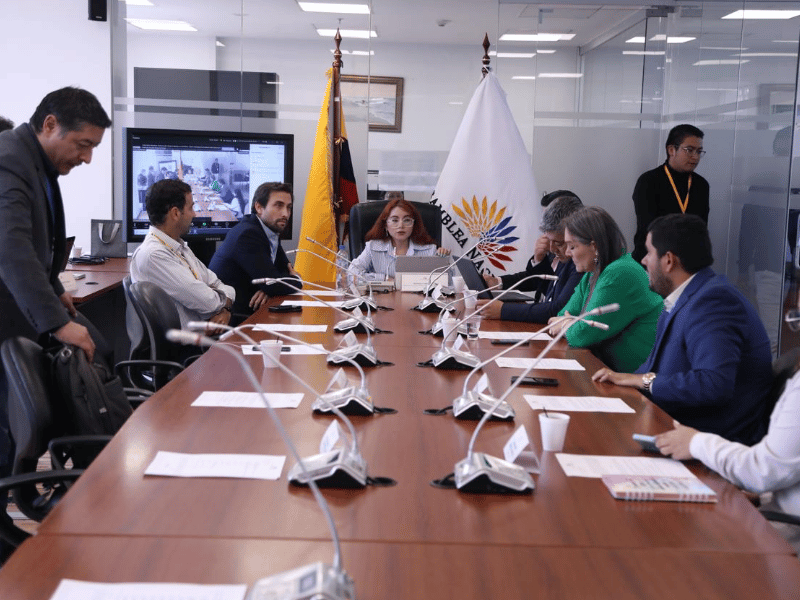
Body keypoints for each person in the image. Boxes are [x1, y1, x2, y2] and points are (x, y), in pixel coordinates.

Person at [0, 86, 111, 562]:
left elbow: (36, 252)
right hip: (8, 321)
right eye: (82, 145)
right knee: (5, 431)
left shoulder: (35, 162)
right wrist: (56, 323)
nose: (86, 158)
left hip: (18, 314)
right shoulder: (8, 160)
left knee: (9, 432)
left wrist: (55, 288)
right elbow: (10, 249)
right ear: (49, 124)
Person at [593, 214, 772, 445]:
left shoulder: (714, 301)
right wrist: (620, 380)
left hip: (707, 443)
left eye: (648, 252)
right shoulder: (686, 298)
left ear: (668, 260)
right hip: (670, 424)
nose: (644, 261)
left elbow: (713, 384)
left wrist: (643, 381)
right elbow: (651, 370)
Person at [655, 353, 800, 552]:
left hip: (787, 532)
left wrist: (696, 443)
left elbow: (764, 469)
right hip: (776, 508)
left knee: (677, 534)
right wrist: (764, 496)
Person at [545, 206, 662, 372]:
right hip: (609, 372)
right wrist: (569, 322)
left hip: (639, 383)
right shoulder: (593, 272)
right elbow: (560, 316)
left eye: (572, 246)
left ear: (594, 246)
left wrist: (568, 323)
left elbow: (582, 335)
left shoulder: (620, 272)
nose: (567, 253)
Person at [130, 179, 235, 330]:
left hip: (210, 337)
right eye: (191, 208)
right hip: (191, 348)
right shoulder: (153, 255)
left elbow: (217, 284)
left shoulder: (179, 246)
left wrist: (225, 310)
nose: (194, 214)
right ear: (175, 213)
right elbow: (208, 302)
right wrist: (224, 304)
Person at [478, 193, 583, 323]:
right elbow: (546, 286)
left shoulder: (577, 259)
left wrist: (503, 310)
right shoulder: (560, 251)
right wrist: (538, 260)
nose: (551, 248)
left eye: (558, 243)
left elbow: (557, 308)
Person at [210, 182, 301, 324]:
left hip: (253, 312)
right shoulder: (248, 234)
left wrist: (269, 287)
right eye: (278, 205)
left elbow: (280, 272)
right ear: (259, 207)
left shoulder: (269, 231)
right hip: (232, 318)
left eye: (289, 208)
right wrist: (296, 280)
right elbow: (276, 282)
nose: (286, 214)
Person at [631, 124, 709, 262]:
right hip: (652, 260)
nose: (695, 157)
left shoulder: (701, 185)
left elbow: (701, 228)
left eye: (699, 151)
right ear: (671, 149)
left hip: (687, 262)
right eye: (689, 150)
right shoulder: (649, 181)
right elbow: (648, 227)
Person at [349, 198, 446, 280]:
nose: (401, 226)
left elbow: (445, 282)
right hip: (381, 300)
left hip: (417, 301)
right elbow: (351, 273)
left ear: (414, 225)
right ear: (386, 225)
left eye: (407, 220)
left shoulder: (429, 250)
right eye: (395, 220)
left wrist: (443, 261)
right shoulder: (373, 247)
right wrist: (384, 279)